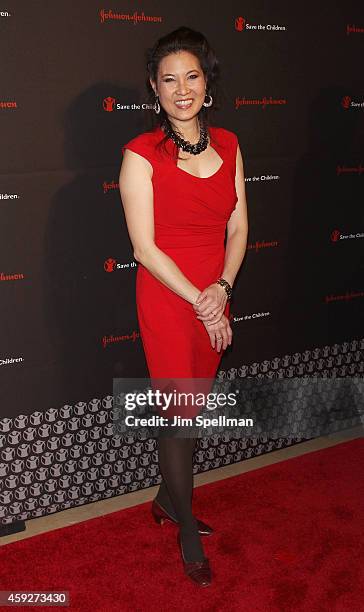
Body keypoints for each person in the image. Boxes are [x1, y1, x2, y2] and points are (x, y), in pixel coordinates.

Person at [119, 26, 248, 587]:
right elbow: (144, 248)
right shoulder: (140, 154)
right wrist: (201, 300)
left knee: (192, 410)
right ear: (155, 88)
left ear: (207, 83)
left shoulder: (231, 143)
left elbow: (239, 225)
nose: (181, 88)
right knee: (179, 411)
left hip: (213, 295)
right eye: (168, 79)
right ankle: (185, 526)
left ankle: (167, 499)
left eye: (191, 76)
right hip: (170, 299)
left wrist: (222, 288)